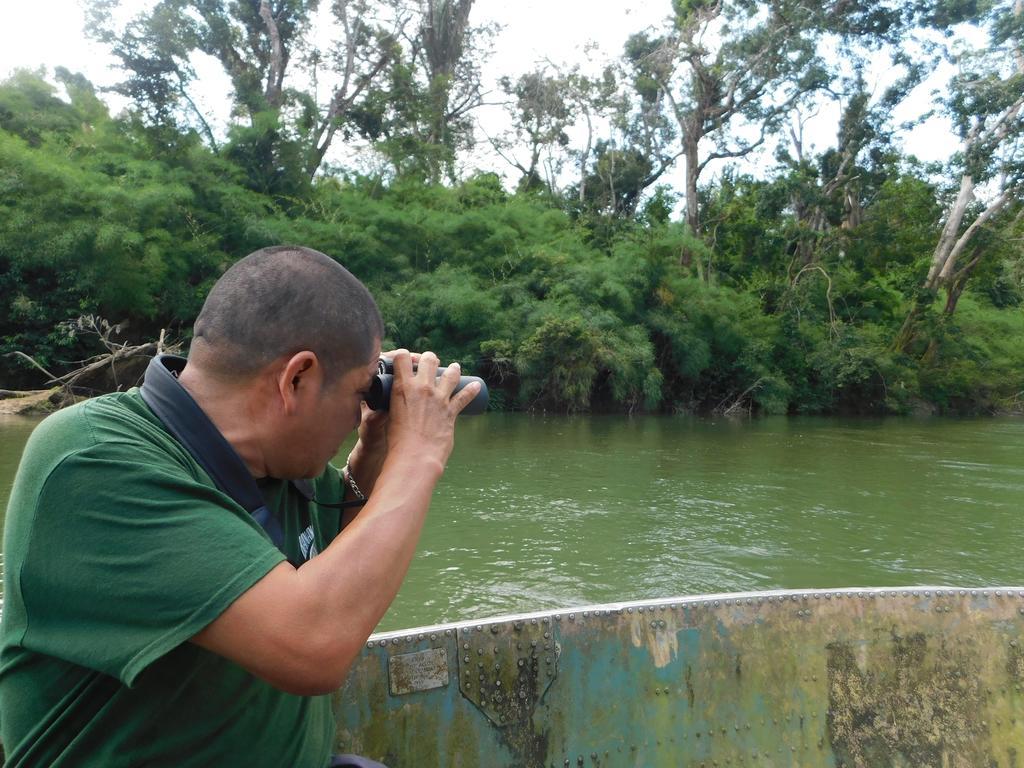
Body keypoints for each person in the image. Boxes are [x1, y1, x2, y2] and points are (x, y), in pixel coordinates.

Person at [0, 245, 479, 766]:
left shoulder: (281, 467)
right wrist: (420, 454)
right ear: (296, 378)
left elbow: (338, 573)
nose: (357, 412)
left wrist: (374, 453)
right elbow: (314, 642)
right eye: (359, 392)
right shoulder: (95, 461)